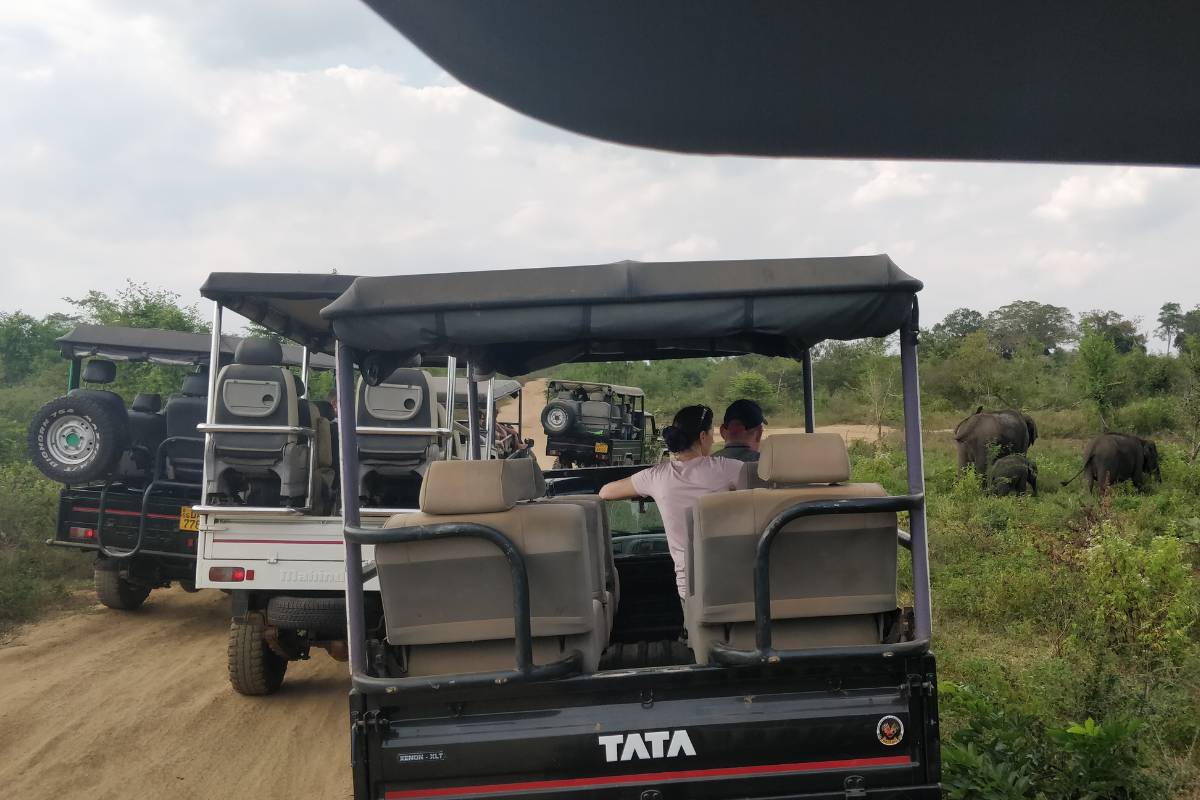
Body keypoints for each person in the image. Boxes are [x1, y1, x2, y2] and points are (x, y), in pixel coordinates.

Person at [600, 405, 743, 599]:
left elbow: (606, 492)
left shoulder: (657, 476)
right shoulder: (729, 469)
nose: (713, 439)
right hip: (736, 579)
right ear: (702, 437)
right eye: (712, 433)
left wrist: (646, 491)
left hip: (690, 588)